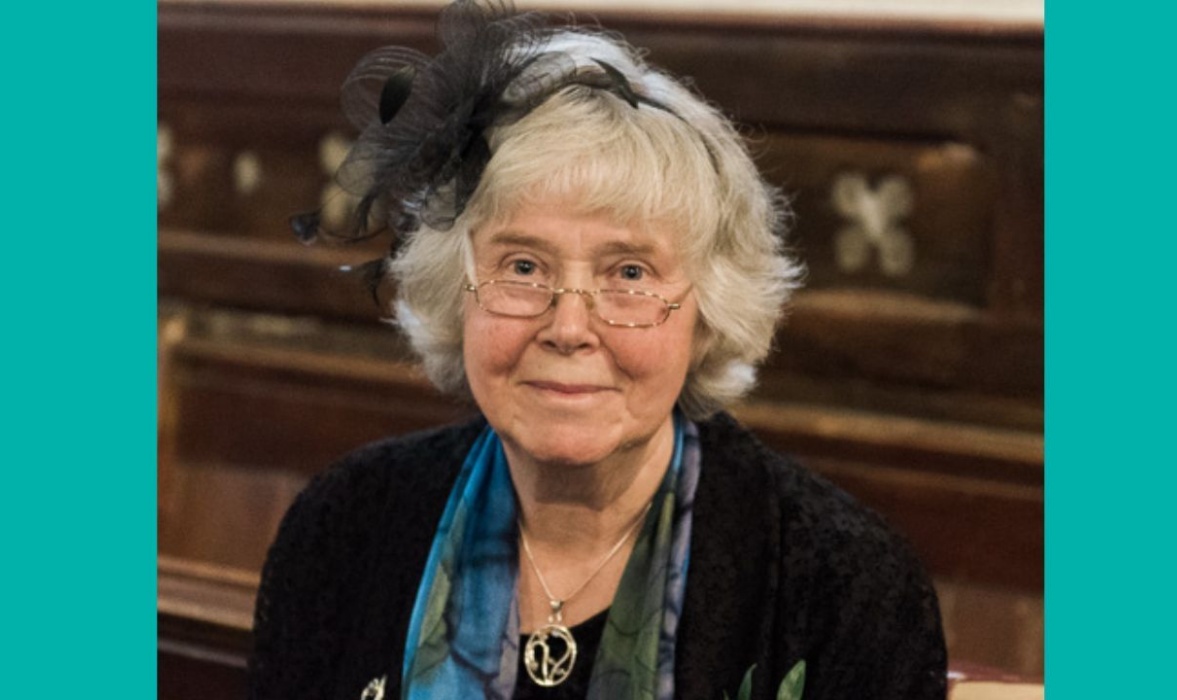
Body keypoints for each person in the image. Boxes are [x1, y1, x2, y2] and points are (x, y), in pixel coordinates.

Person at [251, 1, 946, 699]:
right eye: (523, 267)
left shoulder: (840, 587)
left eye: (630, 274)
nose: (569, 327)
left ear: (707, 311)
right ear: (453, 291)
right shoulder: (347, 525)